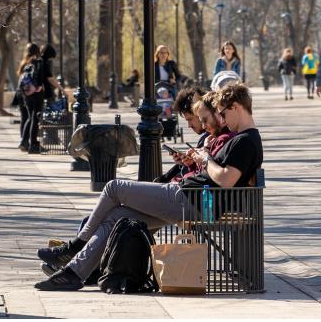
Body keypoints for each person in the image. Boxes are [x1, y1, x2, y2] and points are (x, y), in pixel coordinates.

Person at [34, 83, 263, 291]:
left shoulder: (245, 140)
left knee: (114, 187)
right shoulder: (239, 138)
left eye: (223, 112)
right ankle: (74, 273)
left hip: (190, 200)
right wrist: (198, 160)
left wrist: (205, 160)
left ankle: (75, 245)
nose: (222, 118)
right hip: (188, 199)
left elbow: (226, 180)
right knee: (117, 215)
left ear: (236, 108)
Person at [172, 92, 235, 182]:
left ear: (219, 115)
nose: (204, 126)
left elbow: (208, 177)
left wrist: (204, 153)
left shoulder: (223, 139)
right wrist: (191, 163)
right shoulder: (213, 138)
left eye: (204, 120)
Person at [153, 86, 208, 183]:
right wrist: (185, 162)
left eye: (190, 119)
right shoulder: (206, 137)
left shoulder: (209, 138)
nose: (189, 125)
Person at [17, 43, 45, 154]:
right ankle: (33, 144)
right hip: (36, 94)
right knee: (35, 118)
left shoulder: (24, 63)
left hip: (26, 94)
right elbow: (41, 78)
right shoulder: (37, 62)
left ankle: (24, 141)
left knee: (28, 117)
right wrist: (39, 87)